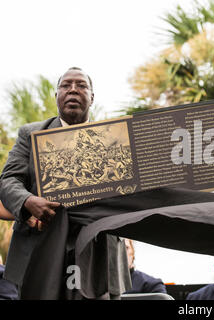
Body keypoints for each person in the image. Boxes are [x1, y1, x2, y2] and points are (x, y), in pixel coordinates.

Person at [0, 67, 130, 299]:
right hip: (41, 250)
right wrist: (28, 201)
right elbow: (9, 179)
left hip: (98, 252)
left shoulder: (115, 138)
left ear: (92, 96)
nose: (73, 90)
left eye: (81, 85)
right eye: (65, 85)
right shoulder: (30, 134)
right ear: (57, 95)